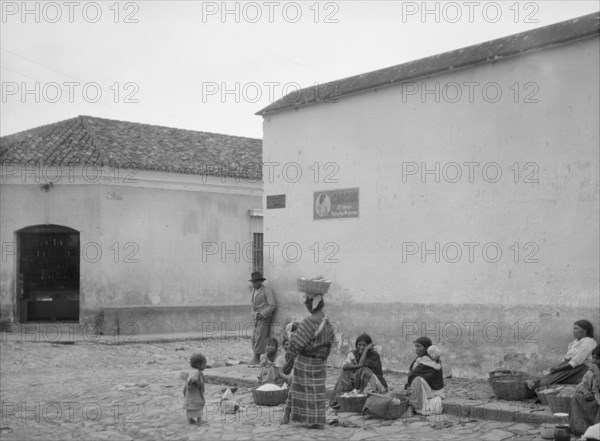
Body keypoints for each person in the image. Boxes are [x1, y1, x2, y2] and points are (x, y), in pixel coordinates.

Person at [281, 291, 335, 429]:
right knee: (316, 392)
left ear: (312, 304)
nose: (306, 305)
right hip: (320, 364)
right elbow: (329, 345)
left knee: (298, 389)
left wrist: (290, 353)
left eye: (307, 302)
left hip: (305, 363)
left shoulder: (308, 323)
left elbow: (295, 346)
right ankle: (315, 420)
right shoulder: (327, 323)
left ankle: (297, 417)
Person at [528, 320, 597, 391]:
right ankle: (535, 386)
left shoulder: (589, 342)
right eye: (573, 329)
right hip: (570, 367)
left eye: (576, 329)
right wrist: (557, 367)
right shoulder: (575, 342)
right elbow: (566, 359)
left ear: (585, 330)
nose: (574, 331)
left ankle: (535, 387)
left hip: (579, 369)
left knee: (552, 378)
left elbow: (576, 361)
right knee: (550, 375)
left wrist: (558, 369)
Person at [329, 333, 388, 409]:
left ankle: (366, 399)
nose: (361, 347)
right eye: (359, 345)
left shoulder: (374, 355)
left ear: (369, 346)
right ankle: (339, 399)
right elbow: (344, 367)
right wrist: (357, 367)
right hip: (357, 380)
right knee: (346, 374)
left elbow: (362, 364)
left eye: (364, 345)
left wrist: (366, 351)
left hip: (374, 382)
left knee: (364, 371)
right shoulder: (353, 353)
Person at [405, 337, 445, 415]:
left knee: (417, 381)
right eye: (416, 346)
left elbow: (428, 377)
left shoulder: (431, 361)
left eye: (419, 346)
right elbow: (414, 373)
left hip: (432, 389)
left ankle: (413, 406)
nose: (416, 349)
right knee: (416, 382)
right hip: (421, 387)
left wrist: (413, 377)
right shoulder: (419, 359)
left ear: (427, 348)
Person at [570, 345, 600, 435]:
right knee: (576, 397)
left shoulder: (595, 370)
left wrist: (598, 372)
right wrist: (585, 391)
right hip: (593, 398)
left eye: (597, 358)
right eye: (593, 357)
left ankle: (596, 432)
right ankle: (581, 429)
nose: (594, 361)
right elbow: (581, 385)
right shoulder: (590, 372)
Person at [249, 271, 277, 365]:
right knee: (253, 337)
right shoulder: (253, 291)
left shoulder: (266, 290)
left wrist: (263, 314)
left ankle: (257, 357)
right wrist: (254, 316)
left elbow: (272, 305)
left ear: (260, 281)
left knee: (260, 337)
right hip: (257, 318)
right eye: (253, 282)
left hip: (264, 318)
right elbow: (252, 306)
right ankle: (256, 355)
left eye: (256, 281)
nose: (254, 283)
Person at [183, 353, 207, 425]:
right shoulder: (195, 373)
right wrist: (195, 383)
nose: (205, 366)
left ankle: (191, 420)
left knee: (191, 407)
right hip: (195, 393)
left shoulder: (195, 372)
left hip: (192, 393)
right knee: (198, 406)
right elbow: (192, 380)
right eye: (203, 365)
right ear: (198, 365)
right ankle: (199, 421)